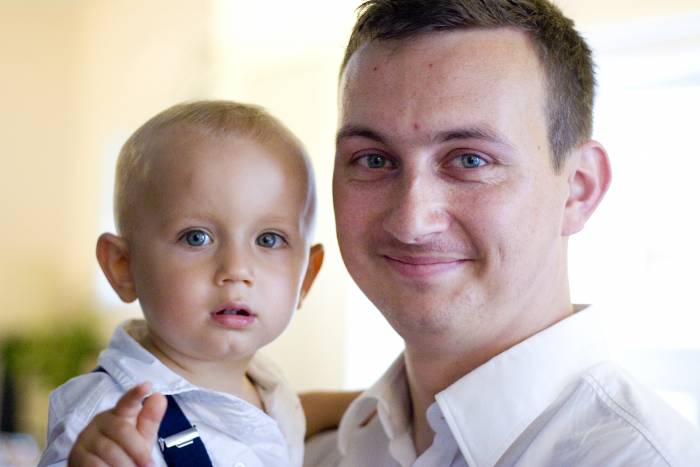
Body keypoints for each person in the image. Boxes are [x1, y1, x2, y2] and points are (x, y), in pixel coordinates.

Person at [69, 1, 700, 466]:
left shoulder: (635, 456)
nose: (411, 218)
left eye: (470, 159)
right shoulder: (321, 446)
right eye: (373, 159)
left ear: (580, 188)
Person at [38, 100, 324, 467]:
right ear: (123, 266)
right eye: (197, 238)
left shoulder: (273, 390)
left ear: (306, 277)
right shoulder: (107, 422)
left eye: (268, 239)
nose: (237, 269)